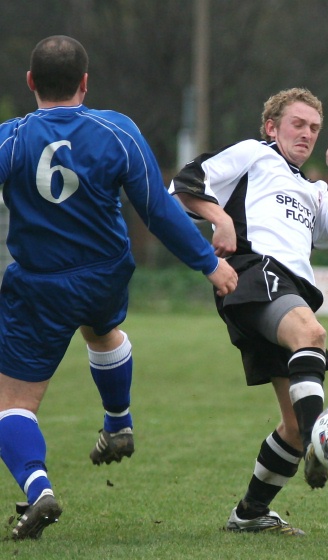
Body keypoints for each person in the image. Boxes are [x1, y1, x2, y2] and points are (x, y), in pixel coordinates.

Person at [0, 35, 238, 540]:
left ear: (30, 83)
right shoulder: (118, 131)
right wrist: (207, 264)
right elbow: (157, 209)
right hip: (107, 274)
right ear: (85, 83)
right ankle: (117, 422)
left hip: (41, 287)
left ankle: (39, 489)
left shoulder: (11, 139)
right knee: (103, 331)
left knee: (12, 404)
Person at [169, 87, 328, 536]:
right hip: (254, 272)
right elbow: (181, 187)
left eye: (314, 128)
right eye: (297, 124)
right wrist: (219, 219)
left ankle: (249, 513)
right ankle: (322, 440)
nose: (306, 134)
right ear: (271, 127)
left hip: (288, 292)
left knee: (292, 429)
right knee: (312, 334)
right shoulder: (252, 155)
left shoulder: (312, 188)